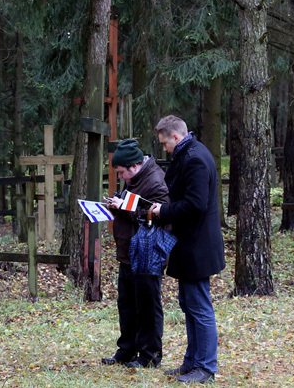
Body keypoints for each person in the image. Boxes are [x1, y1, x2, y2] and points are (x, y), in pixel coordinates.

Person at [147, 115, 225, 384]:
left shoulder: (195, 159)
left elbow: (196, 204)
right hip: (189, 243)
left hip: (197, 245)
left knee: (199, 306)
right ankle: (192, 361)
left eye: (164, 143)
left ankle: (205, 367)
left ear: (176, 137)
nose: (164, 148)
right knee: (188, 303)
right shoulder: (189, 153)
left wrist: (163, 211)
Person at [100, 138, 168, 369]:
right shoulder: (135, 179)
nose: (120, 177)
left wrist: (125, 208)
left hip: (148, 252)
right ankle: (127, 349)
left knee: (147, 305)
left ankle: (149, 355)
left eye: (121, 172)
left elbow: (159, 216)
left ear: (134, 165)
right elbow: (135, 206)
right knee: (127, 303)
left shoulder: (155, 181)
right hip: (129, 250)